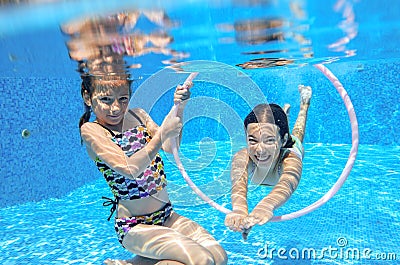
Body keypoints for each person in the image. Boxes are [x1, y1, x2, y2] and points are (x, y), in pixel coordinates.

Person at [79, 74, 228, 265]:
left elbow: (168, 146)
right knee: (202, 260)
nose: (115, 107)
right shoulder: (93, 130)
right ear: (87, 97)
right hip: (134, 226)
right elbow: (129, 168)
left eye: (123, 99)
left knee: (219, 257)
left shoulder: (138, 115)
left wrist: (179, 108)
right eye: (106, 100)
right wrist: (161, 135)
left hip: (166, 215)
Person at [224, 84, 312, 240]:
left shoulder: (291, 159)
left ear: (282, 141)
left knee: (298, 133)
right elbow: (238, 184)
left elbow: (287, 184)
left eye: (269, 141)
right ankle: (283, 117)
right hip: (281, 136)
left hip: (290, 146)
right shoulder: (242, 157)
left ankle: (304, 104)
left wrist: (266, 205)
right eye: (252, 140)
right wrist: (240, 211)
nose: (260, 150)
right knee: (278, 127)